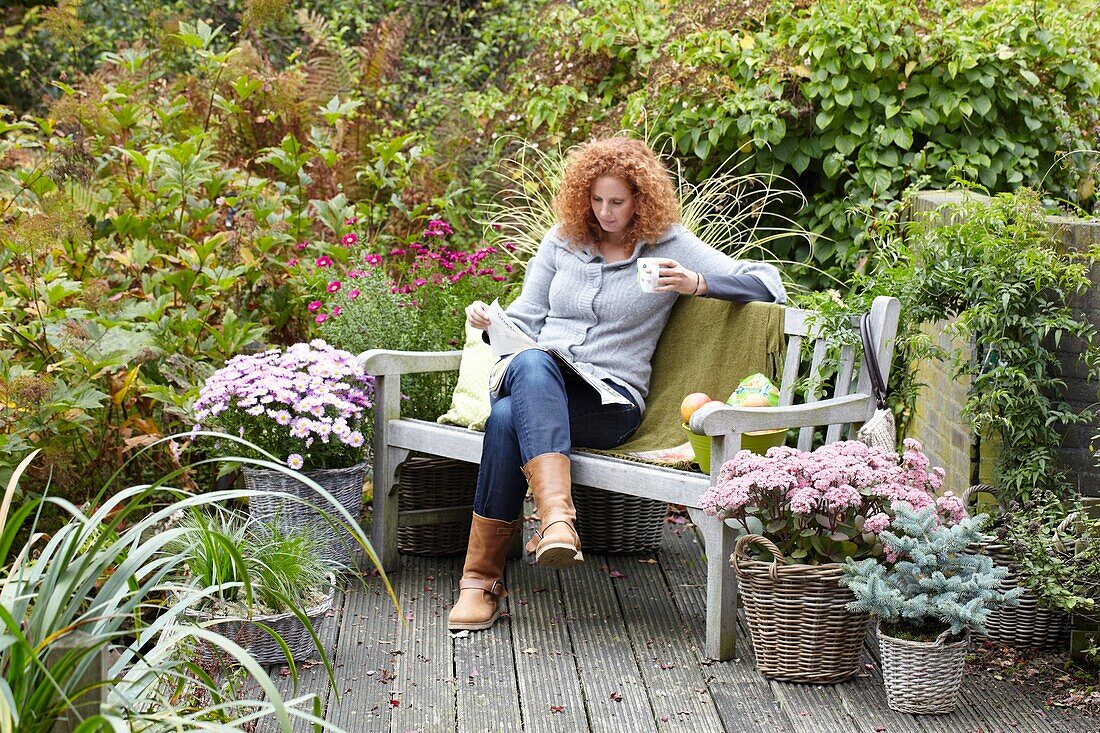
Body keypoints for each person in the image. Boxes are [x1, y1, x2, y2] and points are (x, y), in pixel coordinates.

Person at [447, 137, 786, 631]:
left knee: (509, 412)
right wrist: (485, 320)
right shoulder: (561, 242)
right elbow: (524, 318)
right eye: (596, 199)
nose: (605, 212)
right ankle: (556, 521)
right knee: (528, 373)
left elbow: (766, 281)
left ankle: (482, 580)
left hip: (609, 402)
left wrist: (696, 283)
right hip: (537, 380)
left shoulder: (667, 244)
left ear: (641, 200)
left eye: (617, 202)